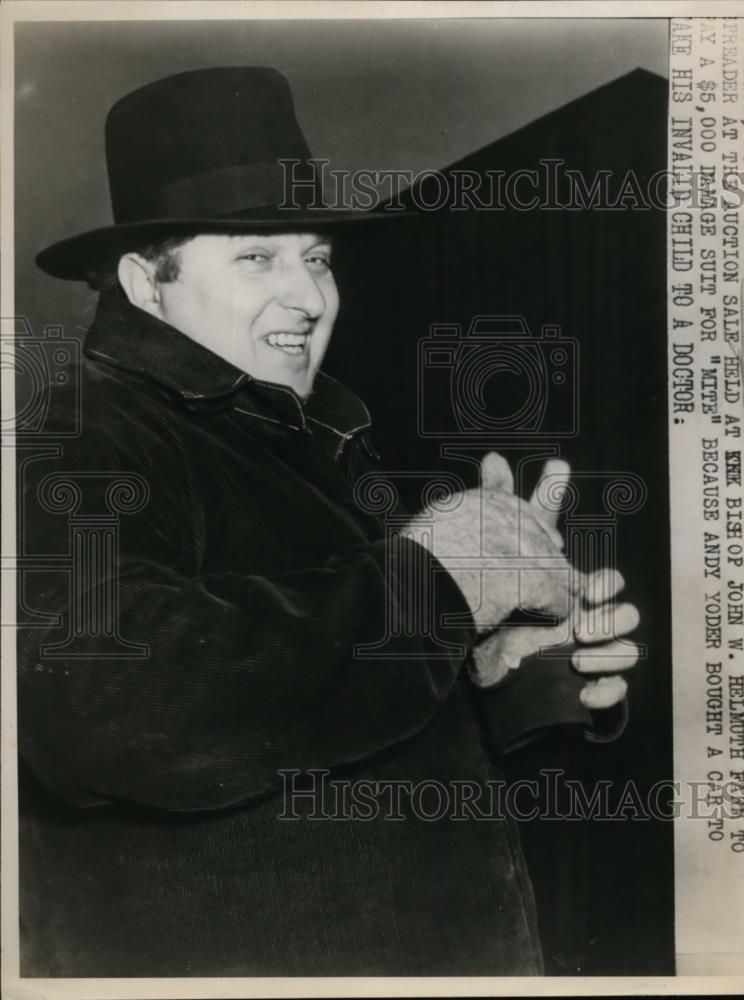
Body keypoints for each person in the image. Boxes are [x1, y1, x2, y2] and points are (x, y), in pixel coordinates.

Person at [18, 67, 640, 977]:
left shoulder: (310, 440)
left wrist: (501, 669)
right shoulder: (71, 428)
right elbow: (100, 704)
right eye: (256, 257)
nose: (309, 297)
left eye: (316, 257)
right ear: (144, 285)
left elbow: (321, 710)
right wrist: (432, 586)